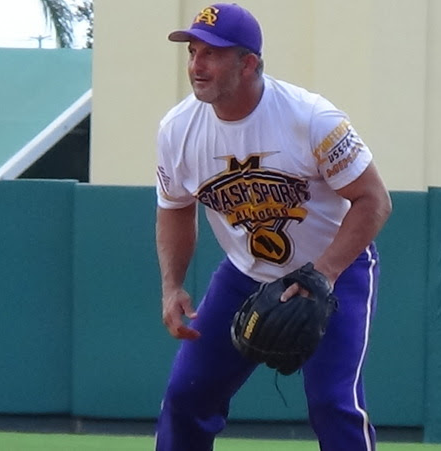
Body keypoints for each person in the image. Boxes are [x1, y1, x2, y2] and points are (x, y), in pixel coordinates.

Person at [154, 3, 392, 450]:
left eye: (211, 53)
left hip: (335, 269)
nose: (196, 65)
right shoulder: (177, 130)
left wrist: (324, 274)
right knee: (186, 397)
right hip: (245, 273)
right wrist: (172, 286)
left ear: (248, 63)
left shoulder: (311, 119)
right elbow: (174, 207)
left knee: (333, 403)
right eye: (192, 52)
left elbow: (374, 201)